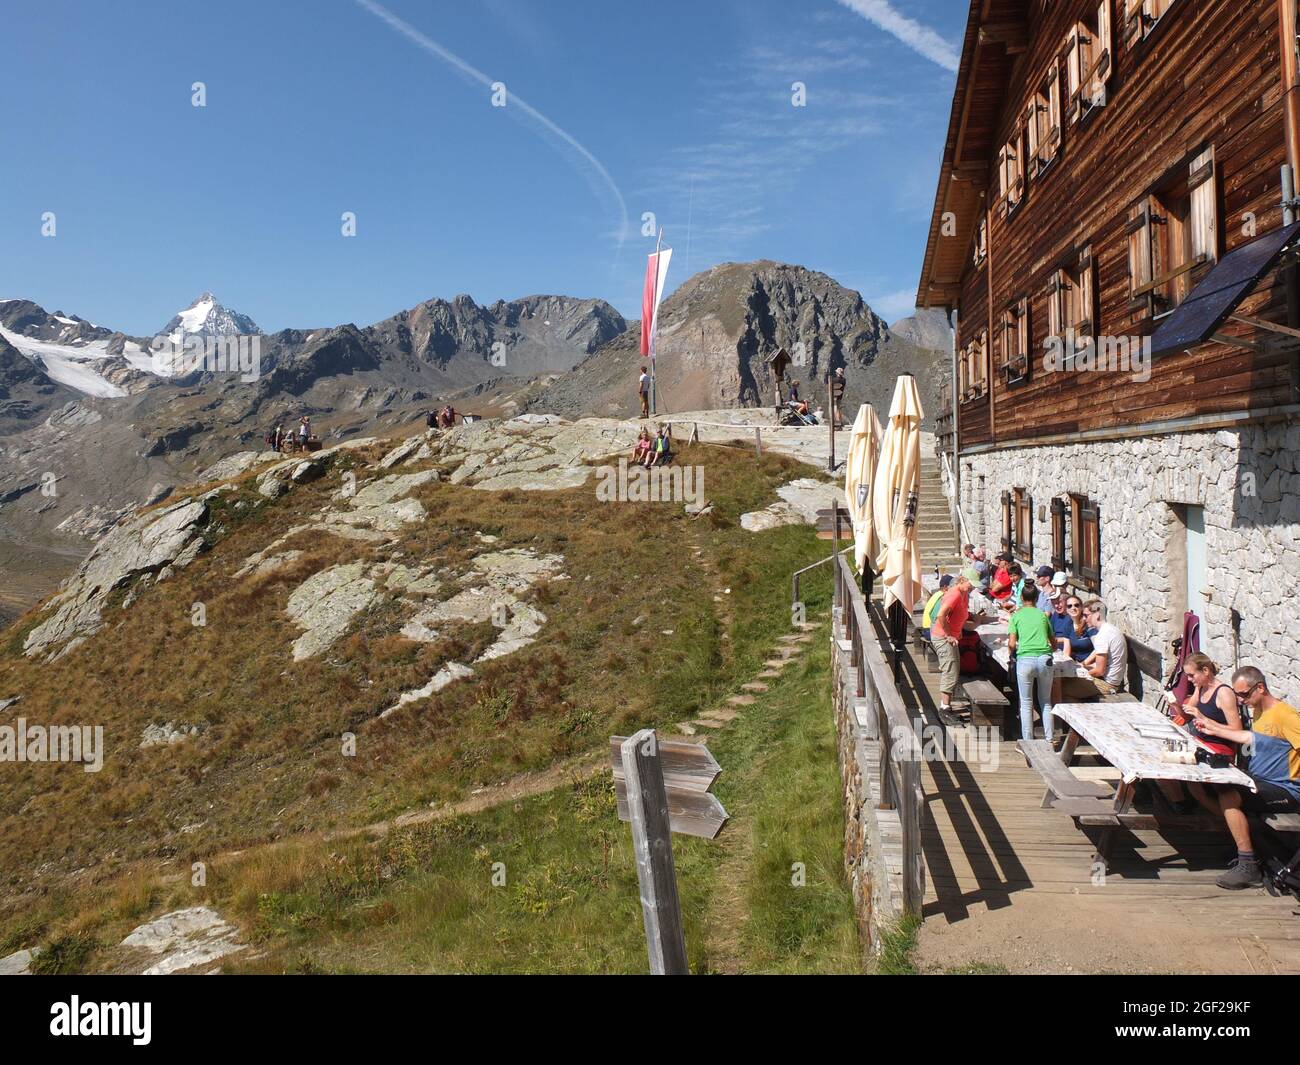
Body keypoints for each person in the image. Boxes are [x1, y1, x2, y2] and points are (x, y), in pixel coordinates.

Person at [1192, 667, 1300, 889]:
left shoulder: (1286, 716)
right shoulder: (1260, 711)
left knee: (1229, 793)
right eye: (1237, 695)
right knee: (1210, 786)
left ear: (1260, 687)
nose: (1240, 700)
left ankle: (1248, 864)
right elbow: (1247, 737)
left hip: (1286, 789)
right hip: (1261, 781)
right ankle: (1246, 845)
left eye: (1244, 695)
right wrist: (1212, 727)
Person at [1007, 584, 1057, 741]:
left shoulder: (1016, 616)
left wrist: (1012, 653)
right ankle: (1050, 739)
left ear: (1022, 598)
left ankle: (1028, 741)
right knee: (1046, 702)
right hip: (1044, 658)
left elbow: (1012, 643)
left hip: (1025, 659)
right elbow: (1053, 643)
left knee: (1026, 702)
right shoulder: (1043, 615)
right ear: (1036, 599)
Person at [1058, 599, 1127, 700]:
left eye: (1086, 615)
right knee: (1066, 680)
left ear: (1097, 614)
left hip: (1108, 684)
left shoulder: (1102, 635)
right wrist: (1083, 666)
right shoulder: (1111, 629)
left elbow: (1099, 671)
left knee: (1061, 689)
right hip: (1113, 680)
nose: (1084, 619)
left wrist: (1079, 674)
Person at [930, 575, 979, 718]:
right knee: (950, 671)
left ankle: (947, 706)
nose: (972, 588)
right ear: (963, 579)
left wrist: (957, 633)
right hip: (943, 638)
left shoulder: (964, 594)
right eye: (971, 584)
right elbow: (941, 615)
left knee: (954, 669)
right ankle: (944, 709)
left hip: (952, 638)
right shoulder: (955, 594)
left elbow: (959, 615)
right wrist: (949, 635)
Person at [1055, 593, 1096, 662]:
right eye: (1069, 606)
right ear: (1066, 609)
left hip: (1092, 664)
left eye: (1076, 605)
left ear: (1081, 607)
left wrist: (1085, 663)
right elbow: (1066, 652)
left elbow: (1099, 648)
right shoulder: (1068, 626)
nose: (1073, 608)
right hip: (1077, 663)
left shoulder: (1088, 624)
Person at [920, 575, 953, 640]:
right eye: (952, 586)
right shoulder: (942, 597)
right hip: (929, 630)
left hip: (926, 628)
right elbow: (938, 617)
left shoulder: (937, 594)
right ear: (945, 587)